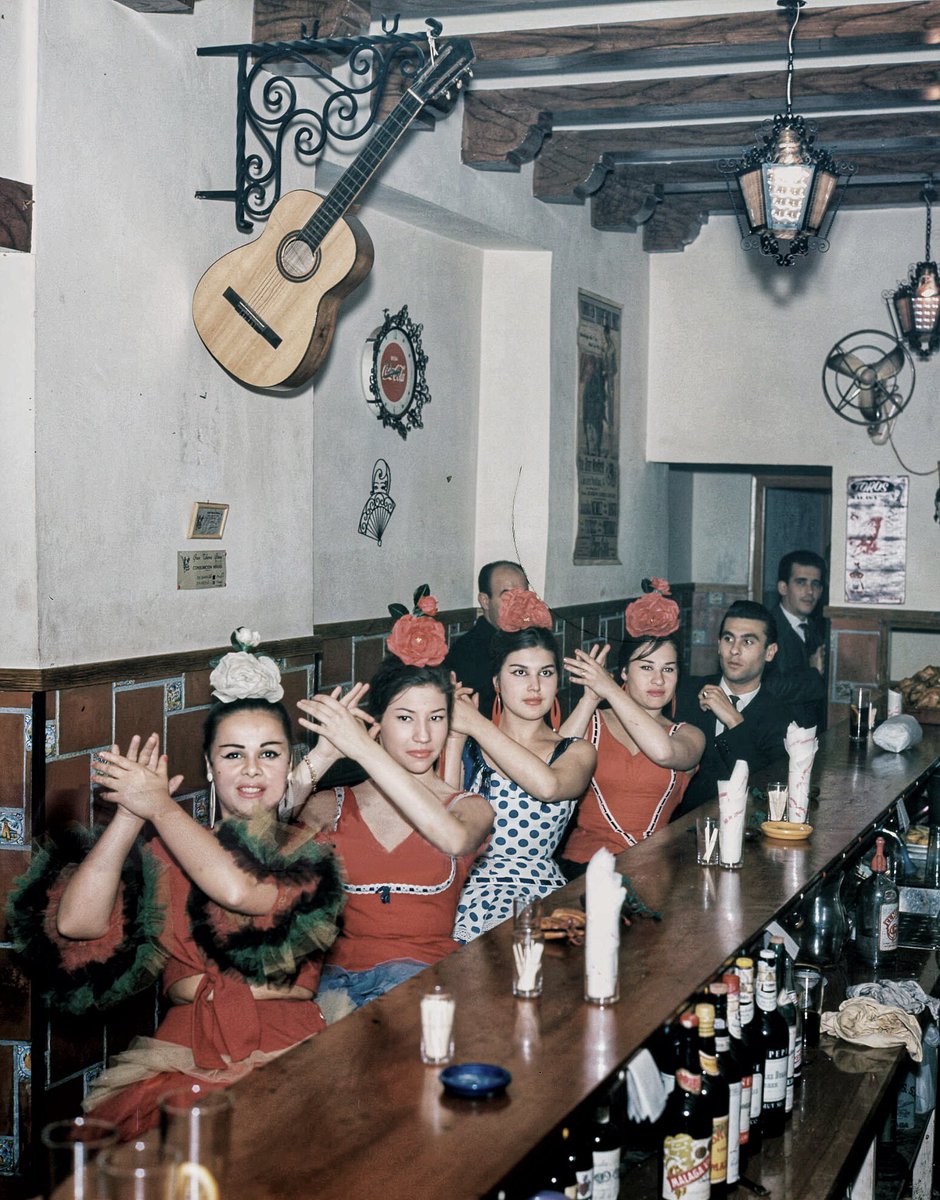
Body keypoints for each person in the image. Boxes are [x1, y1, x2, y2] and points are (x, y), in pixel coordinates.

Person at [8, 630, 346, 1140]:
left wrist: (160, 808)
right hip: (180, 1051)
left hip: (289, 1045)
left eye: (270, 754)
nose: (252, 770)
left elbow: (237, 890)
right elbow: (77, 924)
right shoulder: (169, 848)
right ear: (210, 768)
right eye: (233, 755)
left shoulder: (311, 852)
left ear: (287, 766)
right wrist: (128, 816)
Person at [288, 590, 494, 1009]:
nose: (423, 736)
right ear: (376, 723)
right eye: (405, 718)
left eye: (436, 718)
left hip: (428, 988)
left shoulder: (469, 807)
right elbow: (262, 828)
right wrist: (326, 752)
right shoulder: (333, 804)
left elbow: (454, 841)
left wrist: (365, 751)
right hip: (334, 991)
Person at [447, 589, 597, 941]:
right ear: (497, 683)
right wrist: (455, 737)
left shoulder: (575, 751)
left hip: (540, 895)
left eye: (546, 673)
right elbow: (449, 831)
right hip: (468, 894)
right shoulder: (470, 745)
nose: (534, 685)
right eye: (519, 672)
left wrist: (475, 724)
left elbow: (547, 787)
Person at [558, 578, 704, 877]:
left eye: (669, 669)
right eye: (646, 667)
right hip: (583, 866)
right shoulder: (595, 722)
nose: (659, 680)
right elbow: (554, 764)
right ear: (624, 671)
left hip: (652, 869)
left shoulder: (688, 735)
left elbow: (662, 753)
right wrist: (589, 699)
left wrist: (610, 690)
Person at [674, 600, 801, 818]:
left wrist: (734, 721)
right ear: (718, 644)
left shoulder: (781, 718)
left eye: (748, 642)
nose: (734, 650)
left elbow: (766, 791)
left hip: (743, 830)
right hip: (677, 828)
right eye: (728, 639)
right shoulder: (685, 692)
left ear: (770, 652)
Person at [444, 560, 529, 722]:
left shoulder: (532, 642)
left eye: (523, 596)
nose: (518, 604)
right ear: (484, 601)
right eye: (507, 596)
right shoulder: (467, 652)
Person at [767, 549, 828, 729]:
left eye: (815, 584)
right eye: (801, 582)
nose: (810, 591)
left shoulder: (817, 628)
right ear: (783, 587)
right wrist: (813, 673)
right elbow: (770, 688)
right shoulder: (766, 629)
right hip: (777, 739)